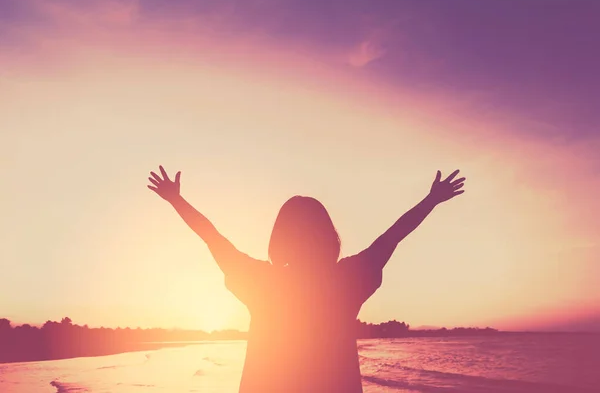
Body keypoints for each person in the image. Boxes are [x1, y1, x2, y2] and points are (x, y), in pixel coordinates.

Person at [147, 165, 465, 392]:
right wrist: (430, 200)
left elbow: (212, 238)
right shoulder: (347, 279)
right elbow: (393, 236)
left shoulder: (261, 281)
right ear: (329, 236)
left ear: (280, 239)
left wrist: (176, 200)